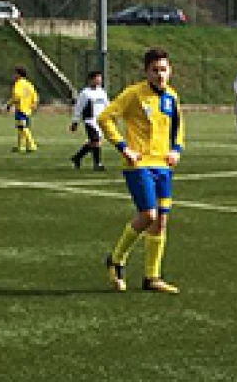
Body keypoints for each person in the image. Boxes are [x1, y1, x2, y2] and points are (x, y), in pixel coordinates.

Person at [97, 48, 185, 294]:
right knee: (148, 215)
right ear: (146, 72)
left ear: (170, 71)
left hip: (163, 165)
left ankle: (152, 277)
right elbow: (105, 118)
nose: (160, 75)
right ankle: (116, 260)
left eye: (163, 70)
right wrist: (124, 148)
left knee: (161, 222)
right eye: (155, 70)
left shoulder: (171, 97)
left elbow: (178, 126)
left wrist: (176, 149)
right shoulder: (134, 94)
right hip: (139, 165)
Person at [69, 70, 111, 171]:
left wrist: (111, 116)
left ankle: (77, 157)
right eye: (97, 78)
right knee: (96, 141)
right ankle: (97, 164)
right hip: (90, 121)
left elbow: (108, 105)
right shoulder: (85, 93)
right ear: (91, 80)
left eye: (100, 78)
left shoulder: (102, 92)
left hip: (100, 120)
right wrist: (75, 121)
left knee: (94, 142)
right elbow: (78, 107)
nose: (99, 80)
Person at [11, 67, 40, 153]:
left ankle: (32, 145)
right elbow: (35, 95)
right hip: (27, 109)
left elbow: (17, 96)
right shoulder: (29, 84)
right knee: (21, 128)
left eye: (15, 73)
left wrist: (9, 104)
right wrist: (34, 104)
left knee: (23, 127)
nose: (14, 75)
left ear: (19, 74)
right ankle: (21, 147)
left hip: (21, 108)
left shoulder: (18, 84)